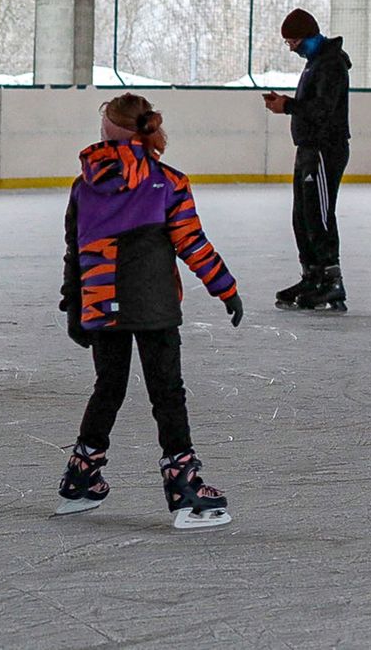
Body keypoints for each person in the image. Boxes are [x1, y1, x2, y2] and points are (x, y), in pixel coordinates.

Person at [56, 93, 242, 530]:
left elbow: (74, 251)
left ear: (110, 130)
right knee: (167, 392)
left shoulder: (84, 186)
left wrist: (75, 306)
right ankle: (184, 486)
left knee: (108, 387)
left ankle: (82, 477)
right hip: (154, 305)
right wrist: (225, 288)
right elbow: (192, 244)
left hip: (101, 300)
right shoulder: (168, 182)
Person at [263, 8, 351, 312]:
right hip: (309, 149)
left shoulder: (331, 65)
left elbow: (323, 109)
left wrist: (288, 106)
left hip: (326, 149)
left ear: (307, 36)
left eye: (293, 42)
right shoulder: (315, 64)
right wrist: (289, 104)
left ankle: (331, 280)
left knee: (319, 214)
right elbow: (311, 106)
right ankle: (312, 276)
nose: (292, 48)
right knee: (302, 215)